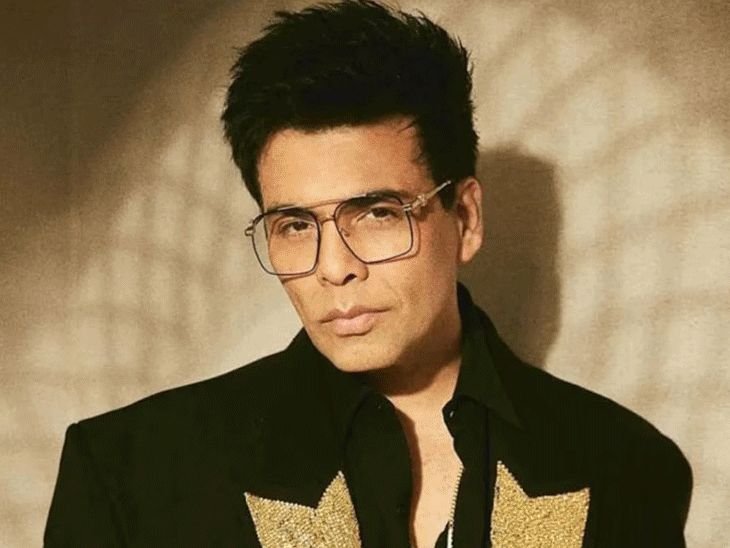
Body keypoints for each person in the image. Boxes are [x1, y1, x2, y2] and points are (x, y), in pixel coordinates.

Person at [45, 1, 692, 546]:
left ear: (465, 218)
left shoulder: (627, 467)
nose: (334, 268)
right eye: (295, 225)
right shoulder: (131, 472)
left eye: (378, 214)